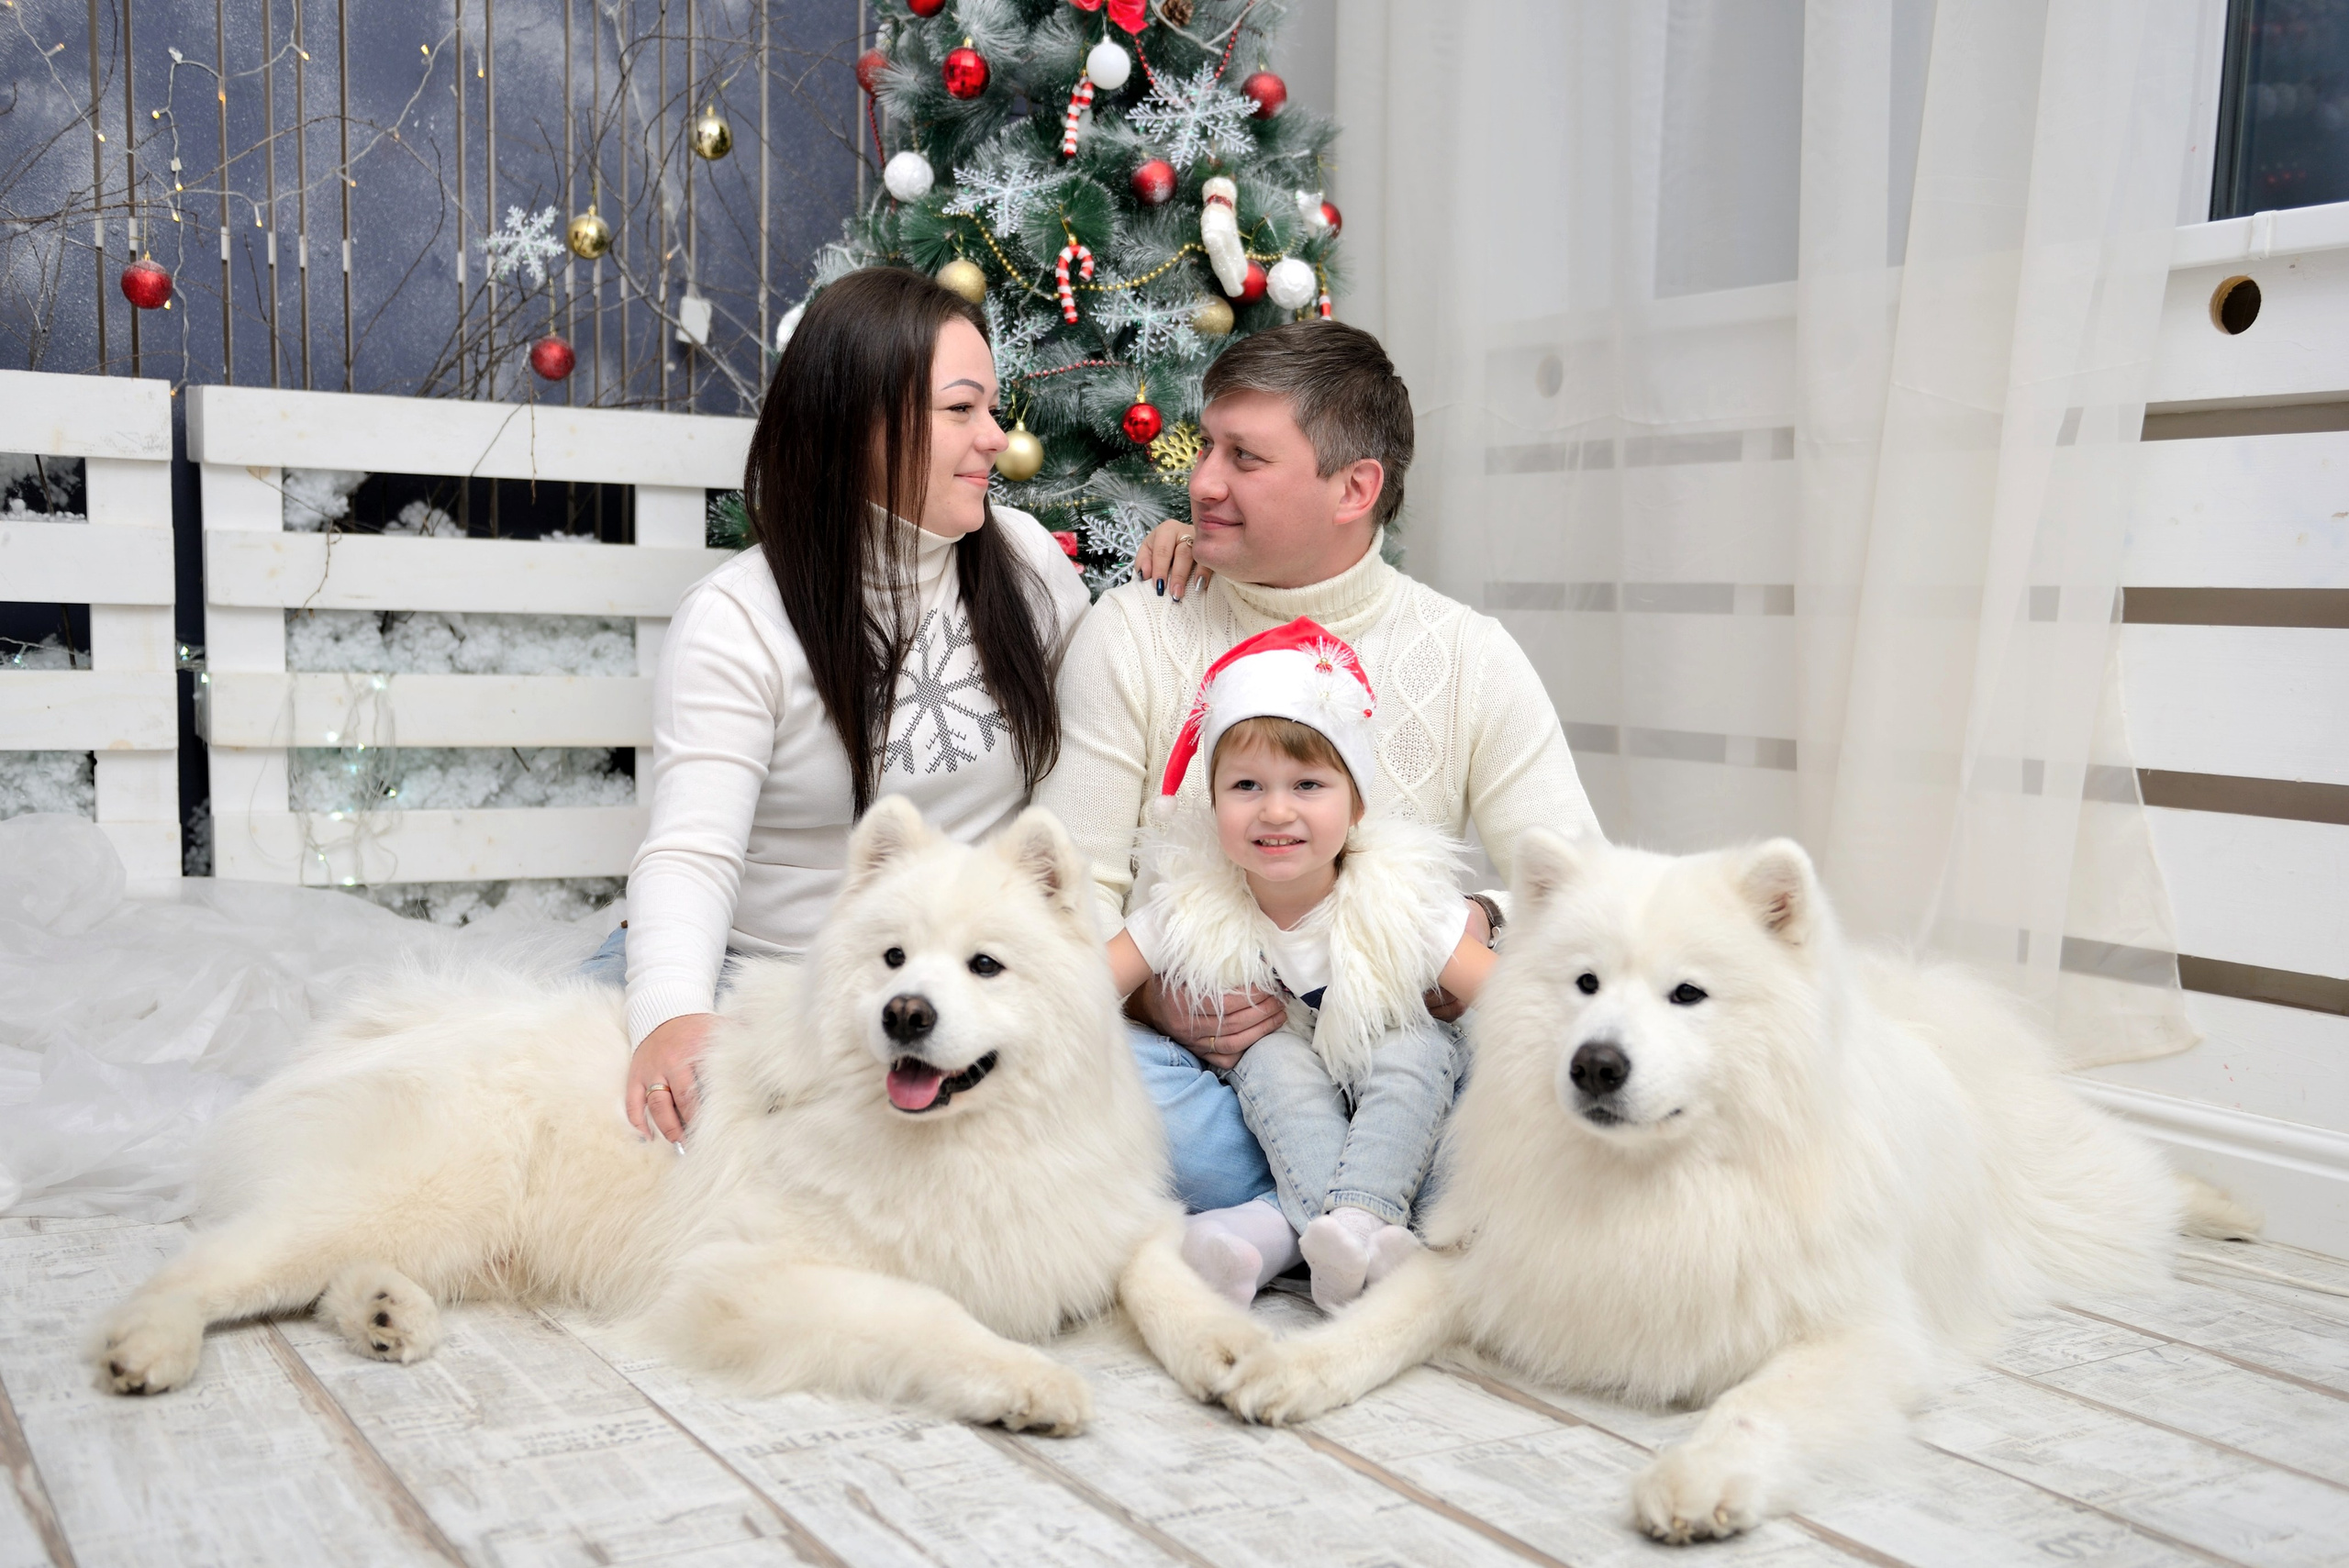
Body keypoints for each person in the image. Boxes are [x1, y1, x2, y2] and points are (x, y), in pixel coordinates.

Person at [1038, 319, 1601, 1214]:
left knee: (1532, 1074)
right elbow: (1067, 888)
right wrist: (1149, 999)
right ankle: (1358, 1200)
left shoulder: (1468, 655)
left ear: (1354, 487)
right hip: (1206, 1068)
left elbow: (1583, 887)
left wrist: (1472, 923)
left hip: (1398, 1059)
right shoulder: (1136, 627)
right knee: (1098, 1079)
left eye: (1244, 458)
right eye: (1207, 445)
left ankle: (1304, 1201)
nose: (1202, 481)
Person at [586, 266, 1095, 1143]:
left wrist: (1181, 575)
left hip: (968, 978)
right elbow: (690, 852)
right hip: (772, 975)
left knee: (1189, 1145)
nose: (997, 440)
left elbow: (1113, 745)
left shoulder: (1024, 561)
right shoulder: (738, 618)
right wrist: (670, 1012)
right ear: (860, 422)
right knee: (645, 1144)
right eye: (962, 411)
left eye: (993, 409)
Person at [1105, 618, 1495, 1310]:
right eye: (1247, 785)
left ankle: (1324, 1229)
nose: (1276, 810)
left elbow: (1505, 994)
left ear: (1357, 805)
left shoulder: (1399, 899)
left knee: (1417, 1049)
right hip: (1275, 1089)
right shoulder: (1189, 903)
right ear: (1214, 799)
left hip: (1391, 1072)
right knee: (1270, 1061)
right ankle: (1355, 1237)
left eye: (1309, 785)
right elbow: (1084, 984)